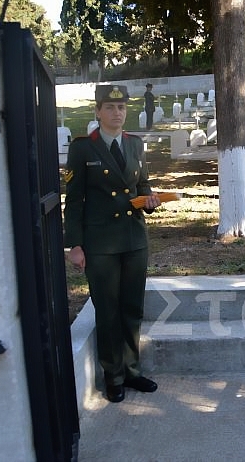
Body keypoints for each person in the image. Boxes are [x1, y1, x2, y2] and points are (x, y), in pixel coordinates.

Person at [64, 84, 162, 403]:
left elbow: (142, 185)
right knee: (107, 310)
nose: (117, 113)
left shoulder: (135, 145)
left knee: (132, 309)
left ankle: (132, 371)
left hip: (134, 239)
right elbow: (74, 201)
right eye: (110, 107)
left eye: (121, 108)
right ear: (98, 111)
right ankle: (113, 375)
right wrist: (74, 246)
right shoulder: (83, 149)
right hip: (101, 243)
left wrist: (150, 200)